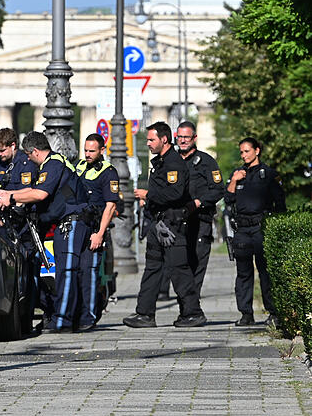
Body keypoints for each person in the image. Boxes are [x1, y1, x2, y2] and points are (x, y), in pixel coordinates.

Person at [0, 131, 91, 332]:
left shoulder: (53, 164)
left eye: (29, 155)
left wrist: (11, 199)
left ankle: (63, 320)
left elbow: (39, 194)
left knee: (67, 272)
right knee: (66, 271)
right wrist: (9, 193)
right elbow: (33, 190)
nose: (28, 159)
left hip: (71, 222)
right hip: (66, 223)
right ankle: (69, 317)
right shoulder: (52, 164)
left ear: (35, 152)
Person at [124, 122, 206, 328]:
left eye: (151, 140)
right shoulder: (160, 162)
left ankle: (192, 313)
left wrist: (149, 195)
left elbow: (175, 193)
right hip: (159, 223)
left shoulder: (174, 164)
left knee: (179, 269)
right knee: (152, 267)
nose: (148, 143)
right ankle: (144, 313)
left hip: (173, 224)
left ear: (164, 140)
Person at [159, 121, 225, 300]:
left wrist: (198, 202)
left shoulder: (206, 162)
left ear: (194, 138)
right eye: (179, 137)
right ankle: (173, 296)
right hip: (175, 221)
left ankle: (191, 305)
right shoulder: (169, 160)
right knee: (174, 260)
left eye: (186, 137)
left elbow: (219, 189)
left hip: (199, 219)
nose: (182, 141)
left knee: (197, 261)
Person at [224, 137, 286, 326]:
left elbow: (280, 203)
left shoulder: (268, 174)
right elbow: (228, 199)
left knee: (265, 271)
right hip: (242, 229)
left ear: (257, 151)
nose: (244, 155)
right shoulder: (237, 174)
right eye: (241, 152)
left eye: (247, 151)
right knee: (243, 272)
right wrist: (234, 181)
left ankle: (273, 313)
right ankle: (246, 314)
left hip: (261, 226)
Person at [0, 128, 40, 325]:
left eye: (3, 151)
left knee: (27, 268)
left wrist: (10, 199)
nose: (0, 155)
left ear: (13, 146)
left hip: (24, 223)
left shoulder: (25, 163)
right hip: (6, 223)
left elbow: (29, 190)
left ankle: (27, 316)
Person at [75, 134, 121, 327]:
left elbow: (110, 206)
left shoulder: (108, 172)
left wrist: (100, 234)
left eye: (92, 151)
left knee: (89, 273)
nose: (87, 154)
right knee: (74, 272)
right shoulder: (79, 167)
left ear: (102, 150)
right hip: (78, 228)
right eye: (85, 150)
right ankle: (75, 314)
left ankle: (90, 316)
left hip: (95, 229)